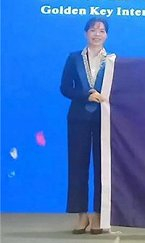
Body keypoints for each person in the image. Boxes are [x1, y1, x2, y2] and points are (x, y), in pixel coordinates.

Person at [60, 17, 110, 234]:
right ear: (85, 33)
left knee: (102, 168)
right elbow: (65, 88)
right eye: (92, 30)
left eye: (101, 30)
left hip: (104, 120)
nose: (97, 34)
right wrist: (85, 95)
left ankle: (99, 215)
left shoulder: (112, 61)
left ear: (106, 35)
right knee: (78, 166)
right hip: (78, 119)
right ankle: (81, 215)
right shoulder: (74, 58)